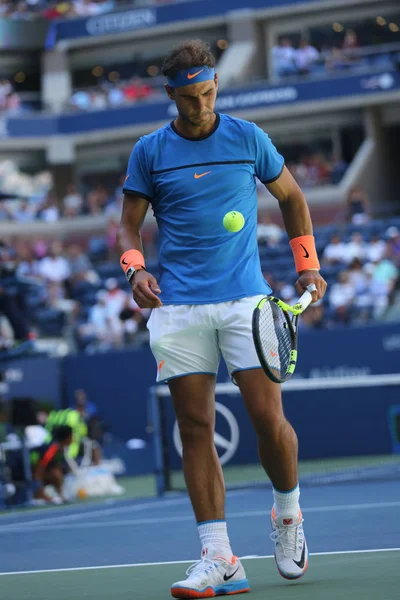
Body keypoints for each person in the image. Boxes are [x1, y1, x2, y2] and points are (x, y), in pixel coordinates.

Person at [118, 39, 327, 598]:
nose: (201, 105)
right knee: (194, 429)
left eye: (208, 93)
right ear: (172, 96)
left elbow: (292, 196)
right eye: (189, 97)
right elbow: (128, 226)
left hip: (245, 302)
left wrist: (307, 263)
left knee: (265, 419)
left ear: (215, 87)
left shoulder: (247, 137)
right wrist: (133, 270)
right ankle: (220, 558)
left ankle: (289, 518)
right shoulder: (149, 151)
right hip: (178, 306)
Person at [30, 425, 73, 505]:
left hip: (41, 472)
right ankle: (39, 495)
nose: (73, 439)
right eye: (72, 436)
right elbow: (39, 468)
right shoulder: (52, 449)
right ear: (67, 437)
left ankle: (60, 495)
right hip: (29, 471)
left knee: (58, 471)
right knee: (56, 473)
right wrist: (40, 490)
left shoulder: (62, 449)